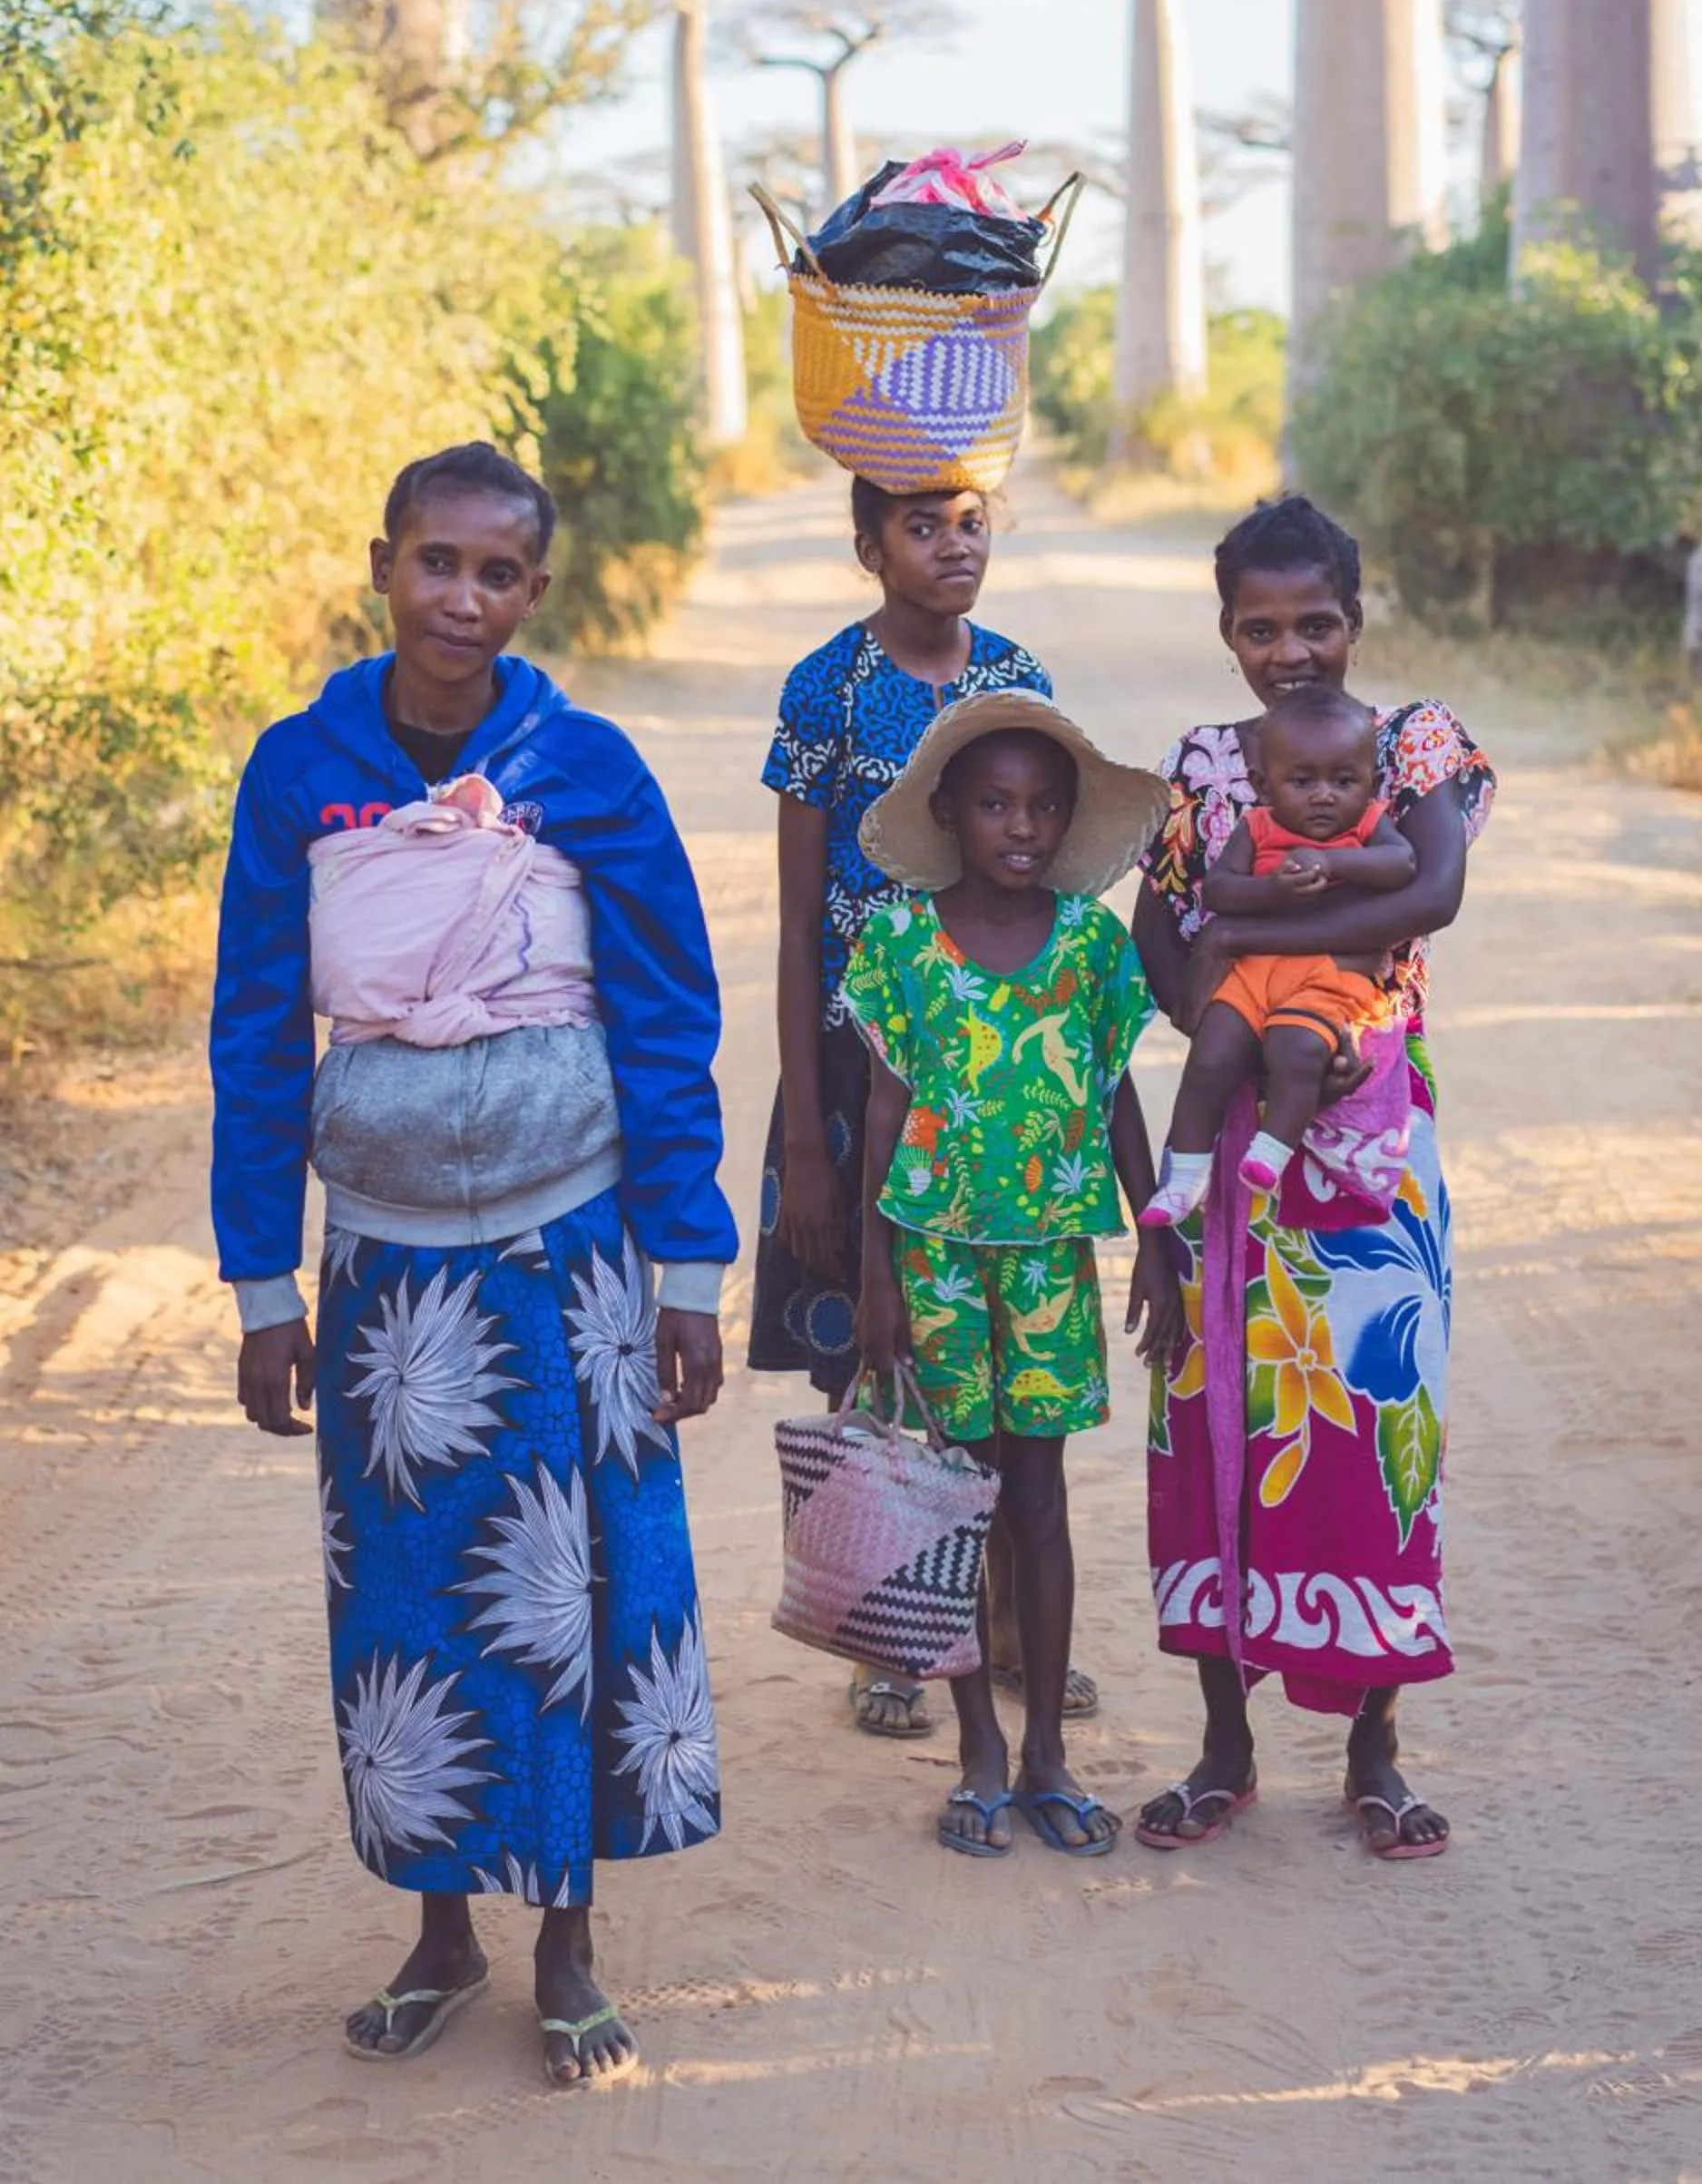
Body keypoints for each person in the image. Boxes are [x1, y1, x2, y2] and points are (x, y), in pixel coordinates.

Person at [212, 441, 737, 2089]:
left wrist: (691, 1268)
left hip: (566, 1243)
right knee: (407, 1612)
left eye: (495, 573)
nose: (461, 597)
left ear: (534, 593)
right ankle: (440, 1931)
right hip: (384, 1274)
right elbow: (254, 1031)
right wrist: (262, 1286)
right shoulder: (302, 771)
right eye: (434, 562)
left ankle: (566, 1939)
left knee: (577, 1596)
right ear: (383, 566)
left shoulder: (587, 768)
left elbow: (664, 1017)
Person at [1133, 495, 1493, 1862]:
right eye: (1260, 628)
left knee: (1378, 1428)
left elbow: (1432, 894)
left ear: (1359, 614)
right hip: (1241, 1153)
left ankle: (1376, 1751)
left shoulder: (1417, 743)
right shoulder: (1206, 762)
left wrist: (1262, 941)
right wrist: (1225, 1027)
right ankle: (1225, 1746)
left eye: (1318, 622)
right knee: (1217, 1426)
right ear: (1226, 633)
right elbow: (1155, 932)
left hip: (1378, 1147)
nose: (1292, 652)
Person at [751, 478, 1097, 1739]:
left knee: (1003, 1364)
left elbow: (1047, 884)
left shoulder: (1016, 673)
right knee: (881, 1350)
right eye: (920, 525)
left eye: (972, 523)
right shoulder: (826, 690)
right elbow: (798, 927)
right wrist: (805, 1138)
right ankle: (893, 1631)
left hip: (992, 1061)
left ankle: (1014, 1629)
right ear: (866, 546)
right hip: (858, 1063)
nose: (954, 548)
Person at [845, 694, 1180, 1857]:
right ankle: (975, 1748)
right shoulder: (897, 942)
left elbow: (1113, 1093)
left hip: (1048, 1258)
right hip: (932, 1262)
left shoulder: (1091, 945)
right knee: (954, 1503)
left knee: (1038, 1501)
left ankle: (1044, 1752)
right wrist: (872, 1276)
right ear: (947, 814)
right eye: (994, 804)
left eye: (1043, 806)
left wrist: (1156, 1233)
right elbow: (885, 1109)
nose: (1021, 826)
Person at [1140, 682, 1414, 1222]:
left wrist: (1335, 864)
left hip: (1325, 980)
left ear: (1370, 783)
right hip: (1251, 974)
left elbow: (1402, 865)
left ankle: (1271, 1151)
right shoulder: (1257, 827)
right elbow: (1220, 890)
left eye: (1344, 780)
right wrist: (1274, 891)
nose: (1323, 795)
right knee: (1211, 1056)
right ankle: (1185, 1177)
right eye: (1302, 781)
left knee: (1299, 1052)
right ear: (1264, 785)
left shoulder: (1366, 827)